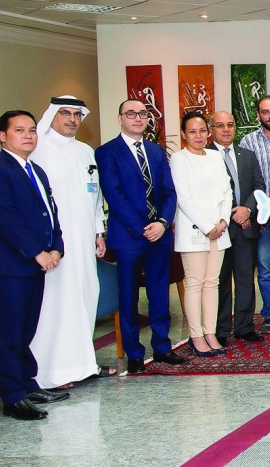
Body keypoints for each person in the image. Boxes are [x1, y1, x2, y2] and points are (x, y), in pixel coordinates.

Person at [0, 110, 70, 420]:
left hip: (34, 264)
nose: (28, 135)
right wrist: (36, 253)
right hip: (8, 267)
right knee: (10, 331)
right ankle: (12, 397)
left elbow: (49, 213)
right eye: (19, 130)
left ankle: (28, 383)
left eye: (31, 130)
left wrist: (57, 247)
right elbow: (6, 218)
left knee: (26, 329)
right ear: (3, 136)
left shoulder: (36, 170)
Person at [29, 96, 117, 389]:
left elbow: (94, 198)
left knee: (86, 297)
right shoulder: (38, 149)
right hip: (55, 244)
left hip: (84, 242)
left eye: (77, 114)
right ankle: (52, 371)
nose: (72, 119)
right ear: (52, 115)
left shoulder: (85, 151)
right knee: (59, 303)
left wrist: (98, 232)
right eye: (65, 113)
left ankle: (83, 365)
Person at [96, 99, 187, 375]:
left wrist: (161, 222)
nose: (137, 118)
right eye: (131, 114)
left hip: (159, 235)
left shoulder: (156, 151)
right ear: (119, 118)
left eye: (142, 114)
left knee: (160, 293)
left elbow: (169, 192)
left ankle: (162, 347)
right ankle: (134, 353)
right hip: (128, 237)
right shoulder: (107, 152)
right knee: (128, 297)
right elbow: (114, 195)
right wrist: (143, 227)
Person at [170, 112, 233, 357]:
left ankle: (210, 332)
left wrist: (223, 220)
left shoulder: (216, 157)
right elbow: (184, 198)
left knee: (212, 283)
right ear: (184, 134)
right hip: (195, 231)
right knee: (195, 284)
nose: (198, 136)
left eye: (202, 131)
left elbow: (227, 191)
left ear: (208, 133)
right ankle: (196, 334)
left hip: (219, 230)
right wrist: (208, 226)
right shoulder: (179, 159)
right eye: (192, 131)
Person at [208, 110, 266, 345]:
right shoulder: (204, 155)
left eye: (230, 125)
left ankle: (244, 327)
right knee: (220, 282)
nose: (226, 129)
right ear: (211, 128)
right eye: (220, 125)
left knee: (245, 281)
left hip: (246, 227)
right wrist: (232, 213)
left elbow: (259, 186)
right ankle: (221, 330)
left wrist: (247, 209)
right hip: (218, 230)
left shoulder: (247, 155)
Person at [238, 95, 270, 335]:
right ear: (258, 115)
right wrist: (251, 210)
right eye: (265, 112)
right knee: (266, 267)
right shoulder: (248, 142)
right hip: (264, 213)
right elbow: (245, 180)